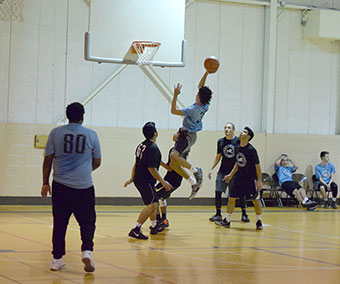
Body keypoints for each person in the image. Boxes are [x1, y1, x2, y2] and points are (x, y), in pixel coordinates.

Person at [41, 102, 101, 272]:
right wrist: (83, 171)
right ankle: (87, 251)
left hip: (60, 186)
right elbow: (97, 161)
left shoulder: (55, 133)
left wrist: (45, 182)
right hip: (84, 187)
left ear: (68, 116)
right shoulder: (91, 135)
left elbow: (48, 159)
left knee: (60, 223)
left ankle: (57, 259)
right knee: (88, 222)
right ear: (83, 116)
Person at [124, 122, 172, 240]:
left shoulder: (141, 145)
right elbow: (151, 168)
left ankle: (154, 225)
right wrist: (163, 181)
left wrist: (132, 178)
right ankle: (136, 229)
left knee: (154, 202)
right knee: (153, 204)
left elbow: (137, 163)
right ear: (155, 133)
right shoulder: (153, 148)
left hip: (139, 178)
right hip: (145, 180)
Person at [170, 71, 213, 199]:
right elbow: (201, 85)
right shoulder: (206, 105)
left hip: (187, 136)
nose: (196, 93)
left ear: (199, 97)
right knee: (173, 164)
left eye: (197, 93)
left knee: (173, 155)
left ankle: (195, 170)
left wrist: (175, 95)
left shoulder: (192, 110)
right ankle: (193, 183)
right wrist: (206, 72)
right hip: (189, 135)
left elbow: (173, 111)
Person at [216, 127, 263, 230]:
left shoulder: (251, 150)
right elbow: (237, 163)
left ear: (249, 137)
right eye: (242, 131)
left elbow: (257, 167)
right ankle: (227, 220)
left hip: (250, 178)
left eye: (244, 132)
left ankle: (259, 221)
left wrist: (259, 181)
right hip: (239, 178)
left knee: (255, 200)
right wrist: (230, 175)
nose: (241, 133)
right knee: (231, 198)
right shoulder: (237, 147)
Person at [208, 122, 249, 223]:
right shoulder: (221, 141)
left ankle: (244, 214)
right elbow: (218, 156)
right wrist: (211, 168)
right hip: (222, 171)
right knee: (218, 192)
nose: (227, 129)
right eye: (225, 127)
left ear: (233, 130)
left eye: (229, 128)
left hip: (235, 172)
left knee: (239, 194)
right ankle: (218, 214)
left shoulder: (238, 141)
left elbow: (240, 157)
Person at [155, 131, 187, 228]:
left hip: (172, 179)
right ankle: (164, 220)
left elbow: (170, 168)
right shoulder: (179, 150)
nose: (174, 134)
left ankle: (158, 220)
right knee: (161, 198)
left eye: (177, 133)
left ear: (179, 137)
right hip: (173, 178)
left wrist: (158, 161)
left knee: (154, 196)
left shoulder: (175, 151)